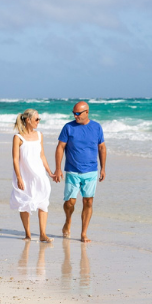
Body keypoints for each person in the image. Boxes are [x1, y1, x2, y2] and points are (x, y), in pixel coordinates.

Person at [54, 101, 106, 243]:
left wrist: (103, 168)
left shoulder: (96, 127)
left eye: (78, 113)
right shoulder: (68, 127)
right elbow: (60, 147)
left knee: (88, 201)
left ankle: (83, 233)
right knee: (70, 202)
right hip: (72, 170)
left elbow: (102, 147)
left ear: (86, 112)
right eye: (74, 113)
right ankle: (68, 220)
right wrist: (58, 168)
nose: (75, 116)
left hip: (91, 171)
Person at [10, 109, 54, 242]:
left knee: (43, 202)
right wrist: (19, 177)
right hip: (25, 175)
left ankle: (43, 234)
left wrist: (49, 172)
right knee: (24, 202)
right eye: (37, 119)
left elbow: (42, 155)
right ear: (28, 120)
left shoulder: (40, 135)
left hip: (39, 174)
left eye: (39, 119)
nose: (38, 121)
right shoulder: (18, 138)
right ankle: (28, 234)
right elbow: (15, 159)